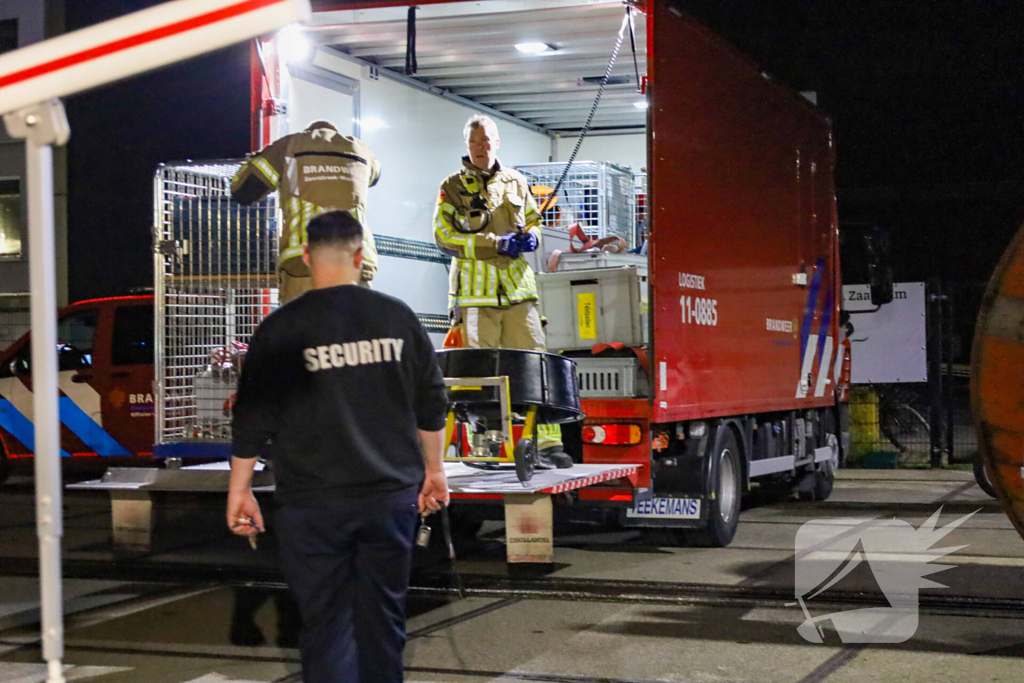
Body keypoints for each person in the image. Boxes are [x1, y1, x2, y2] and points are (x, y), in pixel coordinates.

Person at [227, 210, 449, 683]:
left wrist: (240, 490)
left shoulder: (281, 329)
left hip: (311, 504)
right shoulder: (397, 317)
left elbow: (251, 418)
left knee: (326, 623)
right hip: (389, 497)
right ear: (360, 256)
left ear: (306, 258)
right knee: (383, 620)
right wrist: (435, 471)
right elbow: (431, 404)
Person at [433, 114, 570, 468]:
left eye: (486, 141)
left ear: (497, 143)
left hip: (518, 291)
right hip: (476, 297)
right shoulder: (452, 186)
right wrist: (494, 243)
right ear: (467, 146)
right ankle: (487, 447)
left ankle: (545, 445)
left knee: (533, 361)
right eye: (474, 142)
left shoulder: (516, 181)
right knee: (482, 374)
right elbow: (443, 237)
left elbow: (536, 220)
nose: (480, 148)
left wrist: (532, 238)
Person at [231, 120, 381, 303]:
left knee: (304, 329)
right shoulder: (361, 150)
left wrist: (254, 160)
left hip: (306, 263)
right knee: (355, 329)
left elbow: (243, 190)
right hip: (355, 263)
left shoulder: (289, 146)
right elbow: (376, 175)